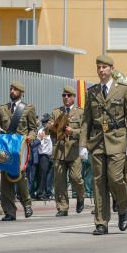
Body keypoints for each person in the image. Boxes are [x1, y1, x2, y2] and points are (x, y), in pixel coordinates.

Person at [79, 55, 127, 235]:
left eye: (104, 67)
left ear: (112, 69)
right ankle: (101, 222)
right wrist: (82, 144)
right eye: (99, 67)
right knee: (98, 183)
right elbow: (86, 121)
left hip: (118, 139)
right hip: (97, 141)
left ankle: (122, 207)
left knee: (115, 178)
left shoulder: (123, 90)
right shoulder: (93, 92)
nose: (101, 70)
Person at [0, 81, 38, 220]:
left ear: (21, 92)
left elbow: (33, 129)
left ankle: (27, 204)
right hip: (6, 149)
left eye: (15, 90)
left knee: (20, 178)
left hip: (20, 149)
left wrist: (30, 137)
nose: (12, 91)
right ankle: (9, 212)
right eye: (11, 89)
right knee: (5, 180)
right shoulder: (3, 109)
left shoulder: (27, 108)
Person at [48, 86, 85, 217]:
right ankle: (62, 207)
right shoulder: (56, 112)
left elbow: (85, 131)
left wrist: (73, 132)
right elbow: (48, 127)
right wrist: (51, 127)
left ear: (74, 97)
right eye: (64, 95)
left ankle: (81, 196)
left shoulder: (80, 113)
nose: (66, 98)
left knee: (76, 178)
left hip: (73, 151)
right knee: (59, 181)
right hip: (59, 151)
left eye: (68, 95)